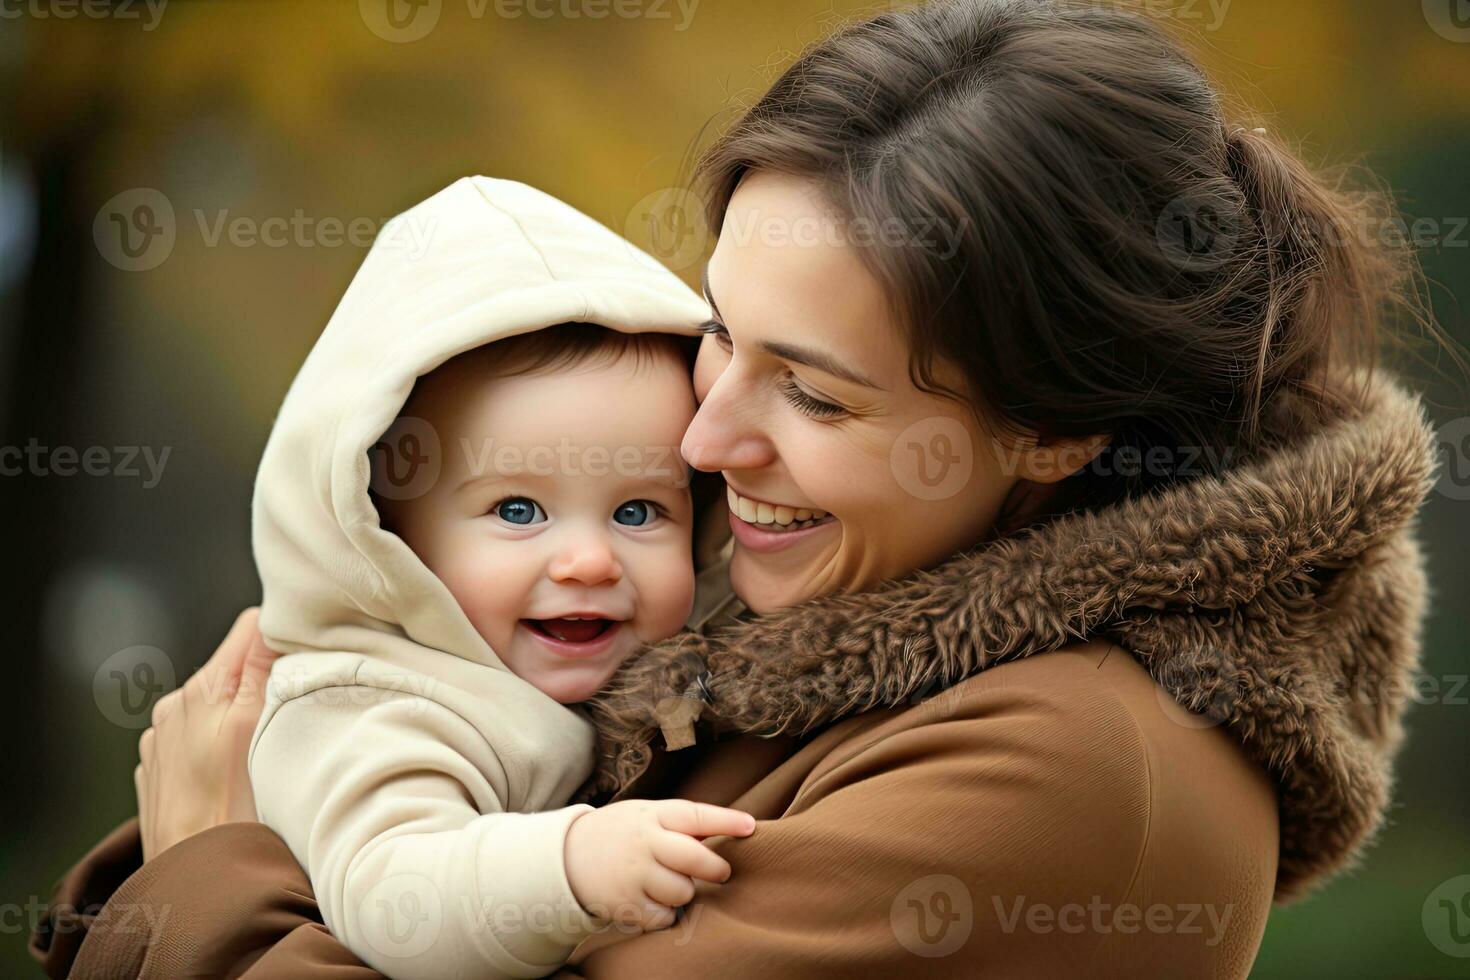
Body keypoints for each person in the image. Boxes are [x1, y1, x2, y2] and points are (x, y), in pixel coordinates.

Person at [31, 1, 1445, 977]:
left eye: (814, 394)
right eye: (717, 330)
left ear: (1057, 435)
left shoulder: (1071, 769)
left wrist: (202, 871)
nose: (702, 441)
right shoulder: (764, 607)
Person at [240, 175, 756, 979]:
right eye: (518, 512)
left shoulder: (693, 653)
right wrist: (568, 865)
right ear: (388, 539)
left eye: (637, 512)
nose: (589, 561)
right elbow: (392, 890)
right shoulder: (373, 705)